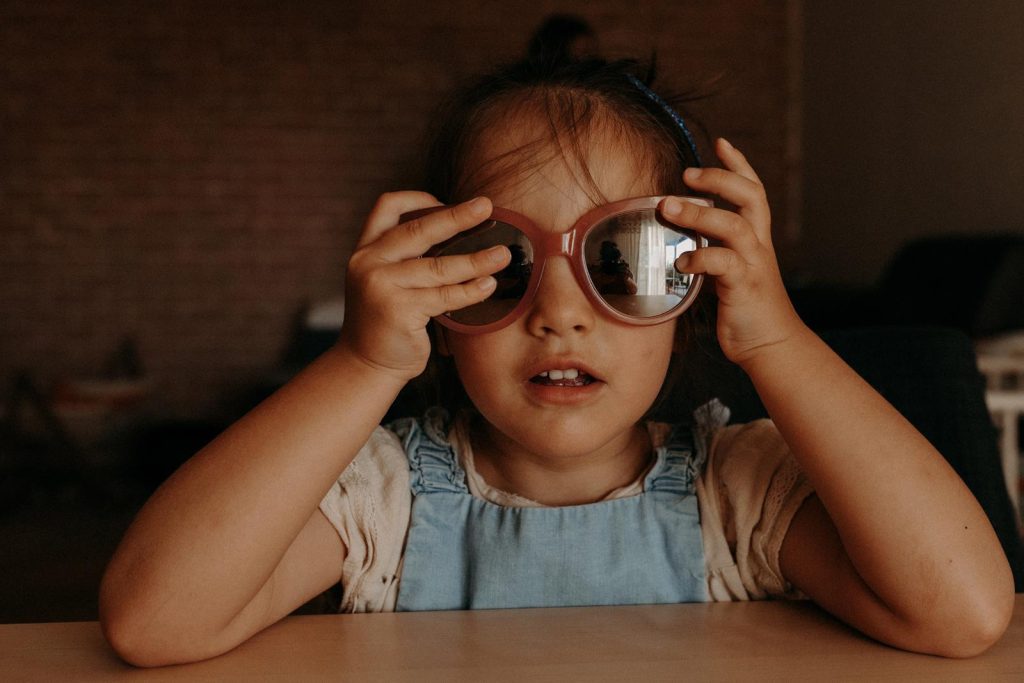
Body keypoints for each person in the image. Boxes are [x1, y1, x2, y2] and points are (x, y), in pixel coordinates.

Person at [99, 19, 1014, 667]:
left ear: (691, 299)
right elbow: (153, 621)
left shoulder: (738, 492)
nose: (559, 310)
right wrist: (363, 363)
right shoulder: (383, 500)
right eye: (500, 262)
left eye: (625, 262)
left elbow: (963, 613)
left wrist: (779, 340)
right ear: (439, 313)